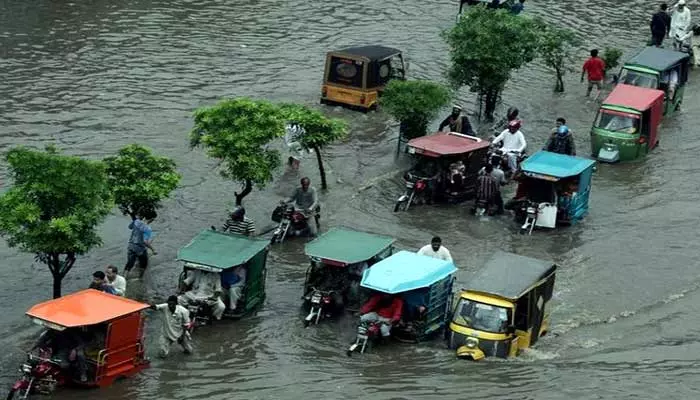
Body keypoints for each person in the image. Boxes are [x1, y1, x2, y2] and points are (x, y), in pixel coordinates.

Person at [124, 209, 156, 275]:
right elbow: (145, 242)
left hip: (131, 246)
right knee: (144, 265)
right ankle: (140, 278)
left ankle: (124, 278)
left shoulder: (136, 221)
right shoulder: (148, 228)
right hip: (140, 249)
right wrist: (153, 249)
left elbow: (129, 227)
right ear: (151, 219)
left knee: (129, 265)